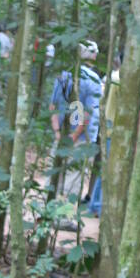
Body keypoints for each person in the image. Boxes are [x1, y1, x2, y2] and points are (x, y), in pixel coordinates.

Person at [48, 39, 104, 200]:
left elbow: (53, 106)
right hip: (80, 138)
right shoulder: (93, 80)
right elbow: (88, 113)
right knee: (73, 176)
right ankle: (65, 215)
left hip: (63, 133)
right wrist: (74, 135)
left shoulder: (64, 75)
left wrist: (57, 132)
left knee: (55, 171)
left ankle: (45, 212)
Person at [88, 52, 121, 217]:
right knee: (108, 170)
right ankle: (100, 207)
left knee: (104, 169)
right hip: (113, 129)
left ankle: (95, 204)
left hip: (105, 127)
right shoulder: (119, 79)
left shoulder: (109, 78)